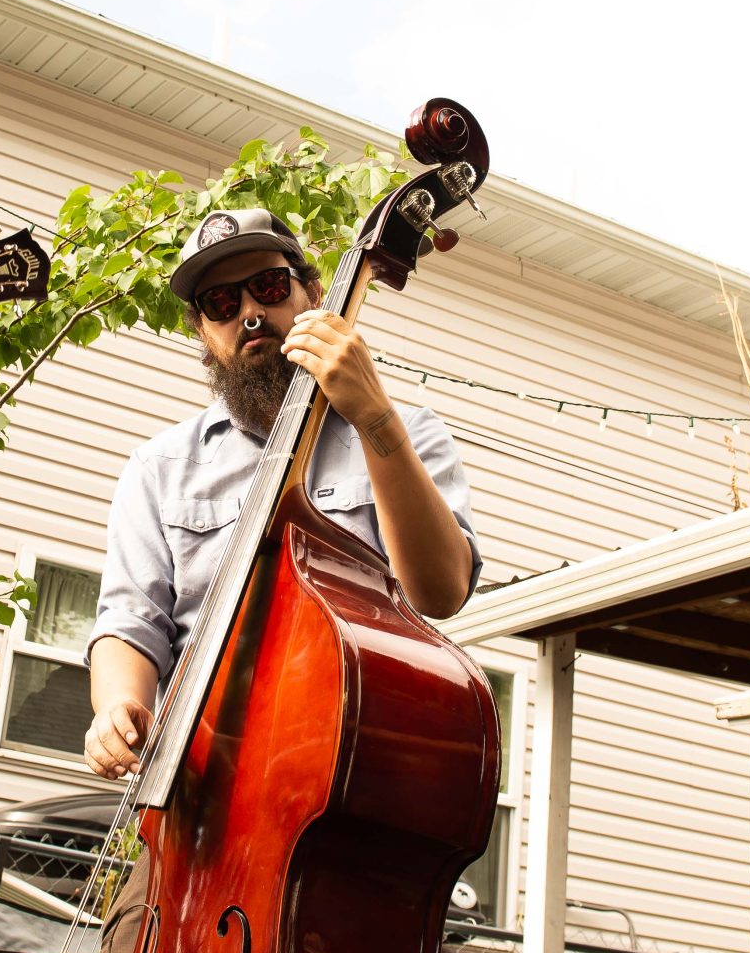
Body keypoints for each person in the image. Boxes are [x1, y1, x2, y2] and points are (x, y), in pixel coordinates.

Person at [81, 208, 478, 777]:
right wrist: (119, 705)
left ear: (312, 292)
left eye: (268, 287)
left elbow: (441, 592)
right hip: (198, 784)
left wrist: (373, 418)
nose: (249, 313)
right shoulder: (159, 468)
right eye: (222, 303)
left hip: (353, 767)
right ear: (202, 329)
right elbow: (131, 622)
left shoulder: (407, 432)